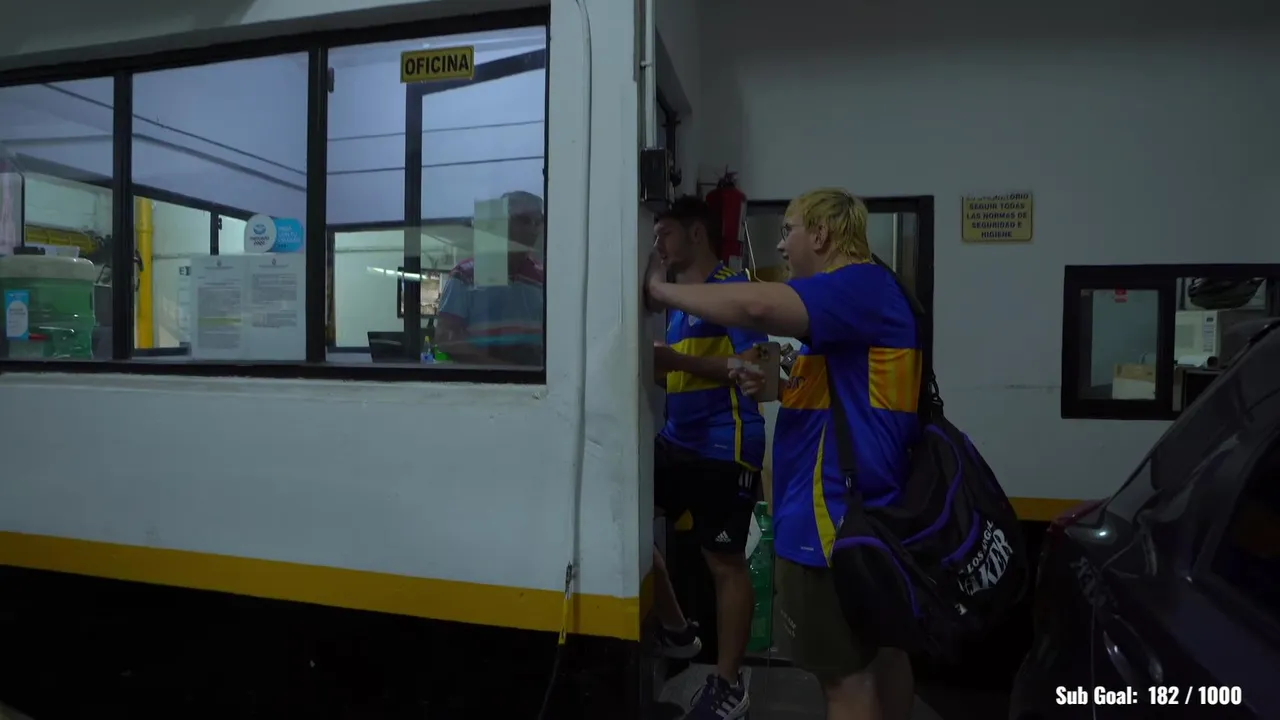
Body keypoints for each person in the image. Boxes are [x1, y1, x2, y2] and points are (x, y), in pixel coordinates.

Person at [644, 188, 920, 720]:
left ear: (821, 234)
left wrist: (659, 289)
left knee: (845, 680)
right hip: (859, 513)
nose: (781, 245)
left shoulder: (857, 285)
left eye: (788, 230)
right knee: (882, 653)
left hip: (834, 521)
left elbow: (756, 305)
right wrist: (774, 384)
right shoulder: (859, 300)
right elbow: (838, 390)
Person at [649, 196, 767, 720]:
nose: (659, 244)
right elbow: (679, 373)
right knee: (623, 518)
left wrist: (676, 360)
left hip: (725, 446)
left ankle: (728, 685)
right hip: (677, 440)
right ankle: (678, 630)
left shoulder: (732, 290)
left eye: (666, 234)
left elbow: (757, 367)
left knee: (724, 562)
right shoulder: (679, 303)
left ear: (696, 234)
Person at [436, 190, 545, 366]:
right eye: (524, 220)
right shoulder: (464, 276)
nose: (533, 229)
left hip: (536, 380)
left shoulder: (542, 278)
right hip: (485, 381)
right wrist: (497, 368)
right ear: (504, 222)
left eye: (538, 222)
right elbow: (445, 338)